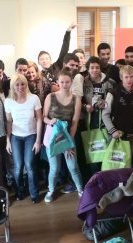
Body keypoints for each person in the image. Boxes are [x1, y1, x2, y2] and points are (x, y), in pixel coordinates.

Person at [43, 68, 83, 203]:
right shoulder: (51, 97)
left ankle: (80, 189)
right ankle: (51, 190)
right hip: (52, 137)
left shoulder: (76, 99)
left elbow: (75, 122)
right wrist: (50, 121)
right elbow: (44, 117)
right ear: (58, 82)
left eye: (67, 82)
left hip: (68, 137)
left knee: (73, 166)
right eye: (62, 82)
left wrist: (69, 143)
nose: (64, 84)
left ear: (71, 82)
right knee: (54, 168)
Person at [5, 74, 43, 203]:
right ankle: (19, 191)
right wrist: (8, 140)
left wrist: (38, 140)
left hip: (31, 136)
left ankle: (34, 193)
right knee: (18, 166)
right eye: (17, 85)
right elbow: (9, 122)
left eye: (23, 84)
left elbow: (39, 119)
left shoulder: (34, 99)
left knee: (30, 165)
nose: (20, 87)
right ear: (13, 87)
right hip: (16, 137)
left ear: (26, 85)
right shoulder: (8, 101)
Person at [81, 56, 116, 178]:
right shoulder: (83, 82)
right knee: (93, 153)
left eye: (97, 67)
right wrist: (85, 106)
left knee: (105, 153)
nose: (95, 70)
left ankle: (105, 178)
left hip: (105, 122)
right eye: (92, 67)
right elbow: (77, 101)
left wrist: (106, 103)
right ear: (88, 69)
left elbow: (114, 101)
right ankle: (93, 180)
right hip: (89, 122)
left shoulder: (110, 82)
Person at [102, 65, 133, 151]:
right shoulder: (113, 93)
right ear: (121, 78)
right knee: (113, 162)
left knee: (127, 161)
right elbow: (105, 114)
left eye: (131, 77)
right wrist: (113, 131)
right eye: (126, 77)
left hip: (130, 134)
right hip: (114, 133)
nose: (129, 79)